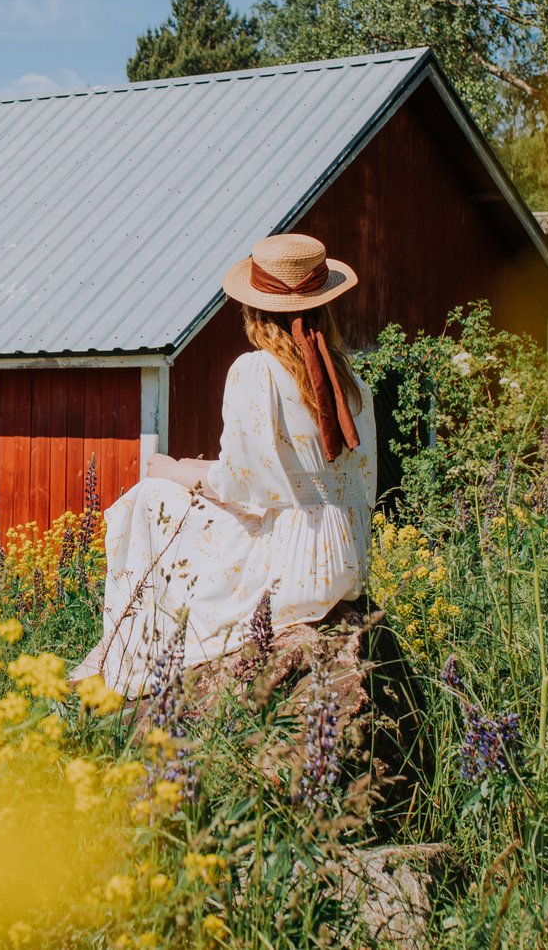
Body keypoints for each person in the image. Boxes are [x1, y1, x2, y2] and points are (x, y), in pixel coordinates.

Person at [76, 233, 377, 696]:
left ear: (255, 311)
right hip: (347, 560)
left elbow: (239, 482)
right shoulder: (353, 383)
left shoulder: (257, 371)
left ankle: (130, 662)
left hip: (293, 567)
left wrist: (175, 468)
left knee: (150, 497)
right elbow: (358, 483)